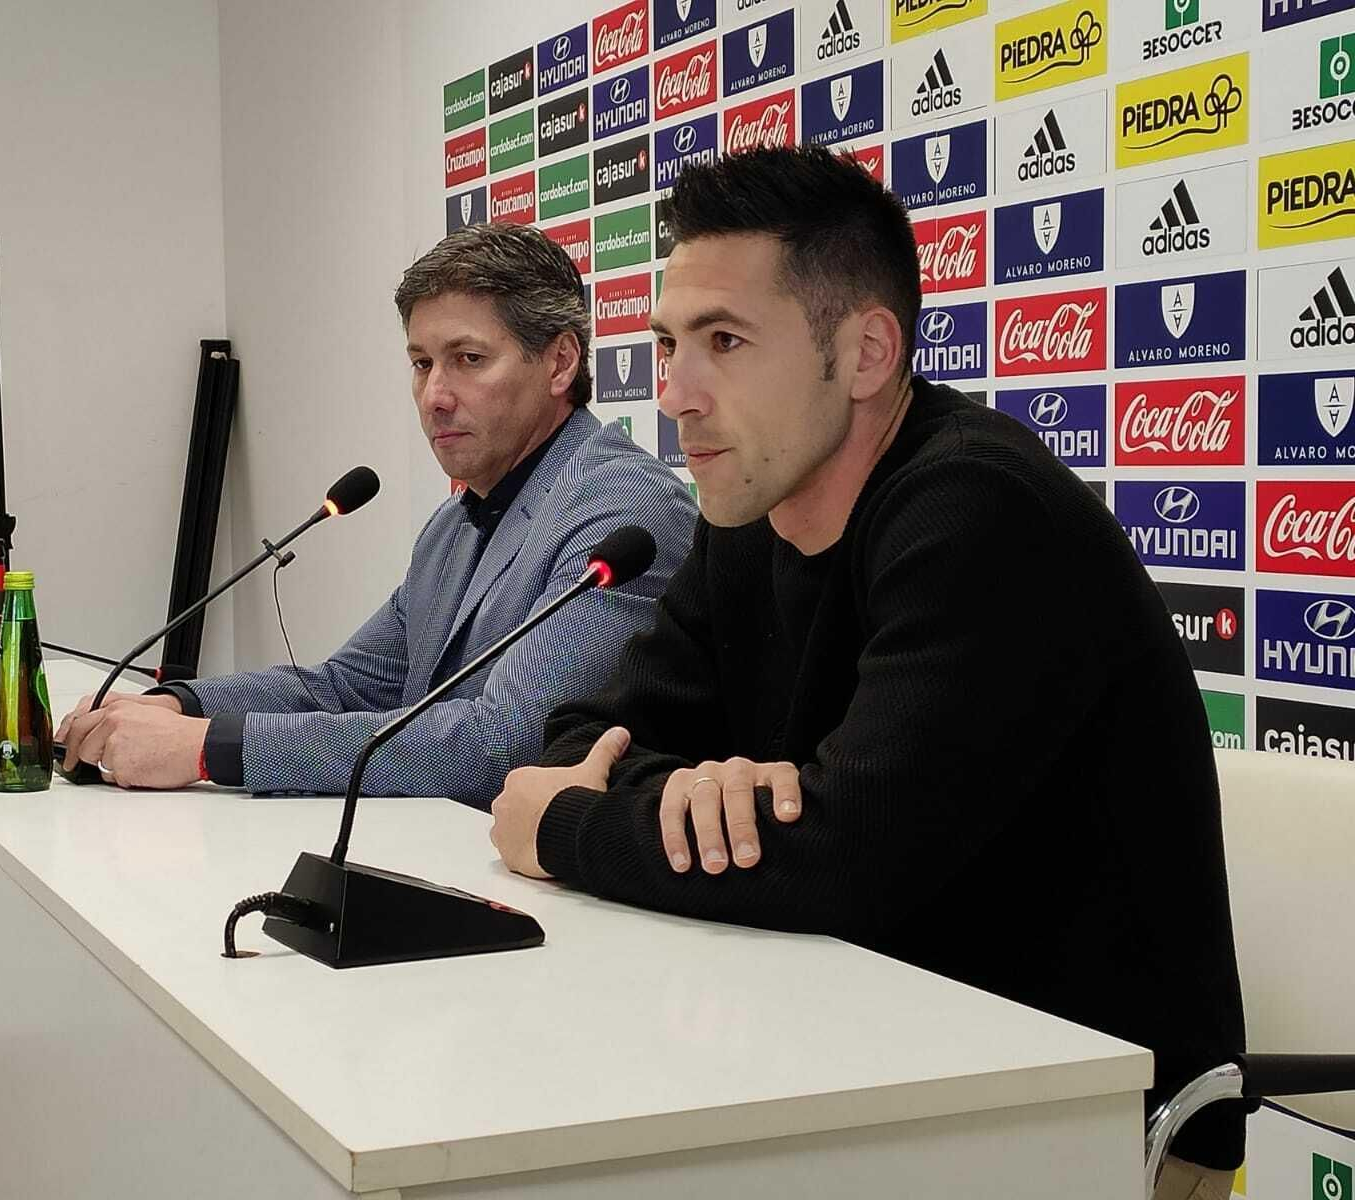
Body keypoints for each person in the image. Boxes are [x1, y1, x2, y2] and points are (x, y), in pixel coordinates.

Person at [488, 146, 1245, 1197]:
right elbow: (589, 736)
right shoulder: (747, 512)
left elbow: (843, 862)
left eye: (724, 342)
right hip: (870, 1063)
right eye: (667, 344)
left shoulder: (977, 509)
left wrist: (568, 829)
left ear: (867, 352)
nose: (675, 396)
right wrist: (697, 797)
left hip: (1090, 1123)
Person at [57, 222, 696, 808]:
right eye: (422, 364)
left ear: (560, 363)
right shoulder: (454, 524)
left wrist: (209, 748)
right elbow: (347, 686)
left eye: (469, 359)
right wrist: (177, 703)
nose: (435, 396)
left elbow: (501, 747)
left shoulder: (625, 516)